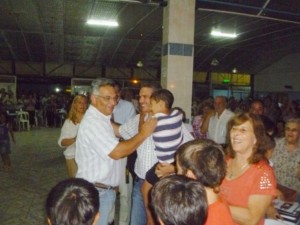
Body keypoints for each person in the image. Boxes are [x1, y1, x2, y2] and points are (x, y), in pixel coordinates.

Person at [75, 78, 157, 225]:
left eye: (114, 98)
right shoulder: (94, 123)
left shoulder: (102, 119)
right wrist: (143, 134)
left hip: (105, 190)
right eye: (107, 98)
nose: (113, 103)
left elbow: (121, 130)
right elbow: (117, 152)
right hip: (96, 192)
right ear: (93, 99)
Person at [115, 83, 194, 225]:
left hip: (163, 186)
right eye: (139, 96)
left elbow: (192, 152)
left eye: (145, 97)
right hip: (140, 185)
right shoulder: (139, 119)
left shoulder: (172, 122)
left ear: (157, 99)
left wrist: (174, 168)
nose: (140, 100)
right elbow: (120, 131)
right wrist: (101, 118)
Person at [220, 112, 277, 225]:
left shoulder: (264, 174)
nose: (235, 134)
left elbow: (251, 218)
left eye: (243, 130)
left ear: (256, 138)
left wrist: (212, 203)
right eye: (234, 129)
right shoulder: (223, 161)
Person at [141, 89, 183, 225]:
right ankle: (153, 219)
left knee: (158, 196)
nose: (150, 107)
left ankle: (154, 220)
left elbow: (143, 129)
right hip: (173, 160)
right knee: (147, 188)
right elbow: (178, 111)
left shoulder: (154, 121)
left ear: (161, 103)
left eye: (152, 103)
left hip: (165, 164)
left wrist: (147, 114)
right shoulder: (177, 116)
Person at [176, 139, 234, 225]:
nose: (177, 175)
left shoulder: (205, 218)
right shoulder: (215, 200)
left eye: (179, 171)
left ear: (190, 175)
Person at [109, 81, 137, 225]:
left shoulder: (128, 107)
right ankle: (110, 220)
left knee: (125, 192)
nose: (114, 97)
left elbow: (130, 133)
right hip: (107, 155)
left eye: (117, 93)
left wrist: (116, 129)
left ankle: (124, 222)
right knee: (109, 191)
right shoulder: (102, 107)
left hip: (124, 155)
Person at [58, 94, 88, 178]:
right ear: (74, 104)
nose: (82, 105)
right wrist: (75, 139)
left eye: (85, 103)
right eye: (79, 103)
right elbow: (61, 142)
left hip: (88, 156)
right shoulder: (69, 122)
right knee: (76, 184)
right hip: (73, 156)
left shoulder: (90, 120)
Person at [271, 118, 300, 203]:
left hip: (296, 194)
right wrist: (272, 189)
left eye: (294, 130)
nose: (290, 133)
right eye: (288, 129)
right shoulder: (275, 145)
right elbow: (263, 171)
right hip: (274, 189)